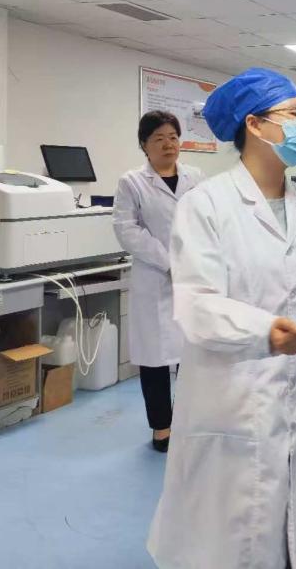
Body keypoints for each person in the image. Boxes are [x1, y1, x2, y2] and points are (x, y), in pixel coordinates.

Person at [147, 68, 296, 569]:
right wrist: (261, 331)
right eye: (295, 115)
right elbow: (197, 302)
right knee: (243, 536)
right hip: (238, 397)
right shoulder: (207, 205)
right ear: (253, 124)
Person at [113, 110, 205, 452]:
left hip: (194, 276)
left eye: (173, 137)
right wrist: (168, 262)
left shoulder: (196, 177)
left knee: (192, 356)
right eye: (159, 139)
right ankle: (162, 427)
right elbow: (126, 229)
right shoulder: (132, 182)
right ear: (144, 145)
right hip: (154, 278)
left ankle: (188, 420)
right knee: (154, 358)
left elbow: (209, 219)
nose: (169, 144)